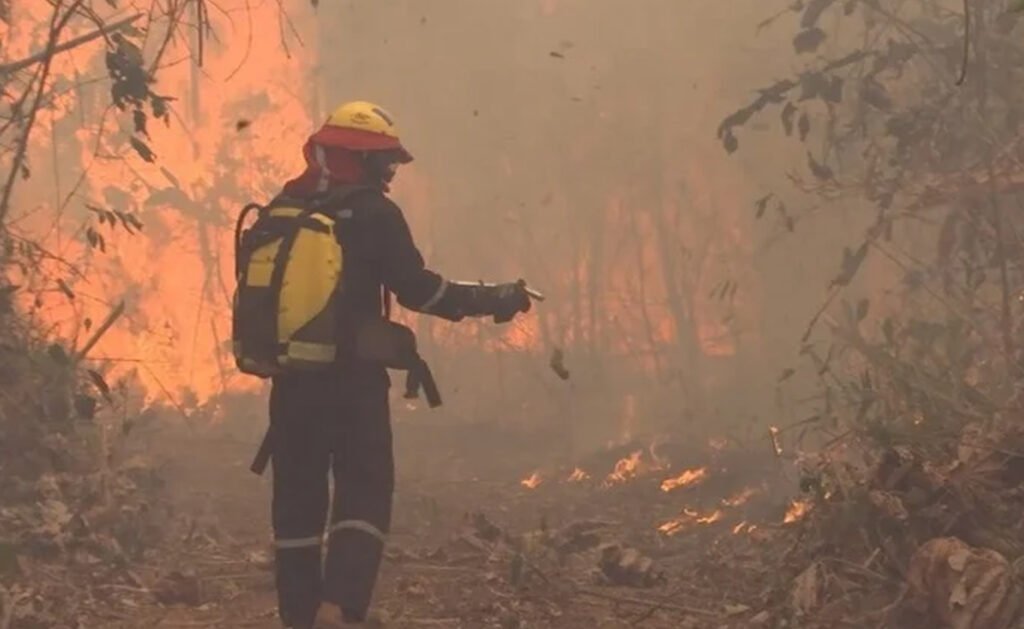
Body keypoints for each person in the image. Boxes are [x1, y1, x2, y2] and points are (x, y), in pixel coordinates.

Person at [262, 101, 533, 629]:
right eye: (384, 161)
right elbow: (421, 291)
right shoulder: (374, 213)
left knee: (296, 498)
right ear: (359, 160)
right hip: (352, 384)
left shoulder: (282, 207)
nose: (389, 174)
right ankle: (339, 609)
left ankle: (298, 616)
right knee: (364, 487)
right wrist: (494, 299)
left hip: (290, 381)